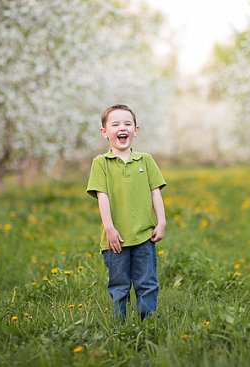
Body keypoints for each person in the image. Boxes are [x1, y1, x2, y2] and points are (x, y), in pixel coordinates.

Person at [86, 104, 167, 320]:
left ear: (136, 129)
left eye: (127, 124)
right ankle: (119, 322)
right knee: (119, 284)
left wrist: (161, 222)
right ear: (105, 132)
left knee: (147, 282)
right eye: (115, 124)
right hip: (115, 238)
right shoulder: (101, 163)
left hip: (144, 236)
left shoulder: (146, 160)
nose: (122, 128)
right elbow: (102, 196)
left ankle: (148, 322)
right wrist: (109, 228)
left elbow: (155, 192)